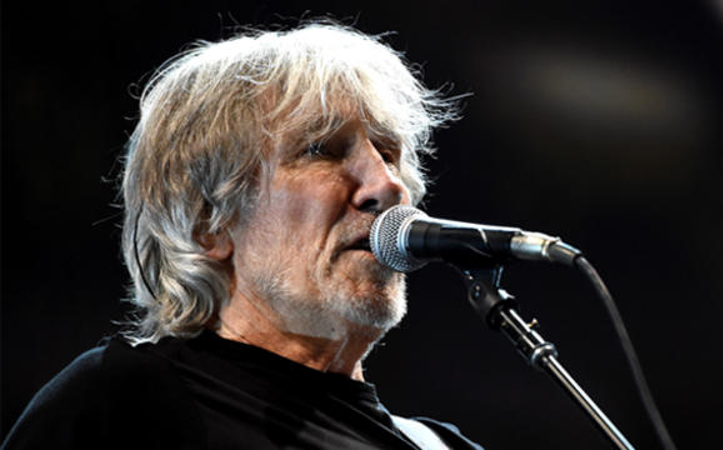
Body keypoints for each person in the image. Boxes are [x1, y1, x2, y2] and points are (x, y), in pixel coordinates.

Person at [2, 22, 481, 449]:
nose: (389, 185)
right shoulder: (124, 406)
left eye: (388, 154)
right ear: (208, 221)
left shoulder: (440, 444)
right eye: (322, 149)